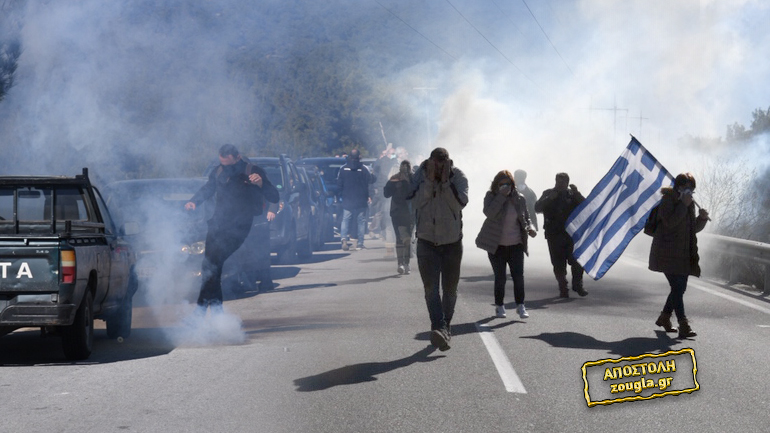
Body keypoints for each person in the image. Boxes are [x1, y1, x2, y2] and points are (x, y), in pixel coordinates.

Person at [185, 144, 279, 314]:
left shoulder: (253, 171)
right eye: (223, 164)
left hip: (239, 227)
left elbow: (274, 196)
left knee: (213, 265)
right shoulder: (218, 171)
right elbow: (208, 188)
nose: (226, 168)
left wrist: (261, 183)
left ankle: (201, 311)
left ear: (238, 158)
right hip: (217, 224)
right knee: (209, 267)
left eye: (229, 165)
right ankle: (215, 312)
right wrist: (194, 201)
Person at [409, 147, 469, 351]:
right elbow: (415, 202)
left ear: (448, 163)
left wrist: (445, 183)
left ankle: (445, 326)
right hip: (426, 241)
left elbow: (459, 205)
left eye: (442, 165)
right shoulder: (419, 176)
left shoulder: (458, 176)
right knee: (431, 290)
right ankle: (439, 327)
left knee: (450, 290)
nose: (439, 168)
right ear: (430, 162)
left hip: (452, 242)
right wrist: (428, 181)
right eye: (436, 164)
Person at [649, 172, 709, 338]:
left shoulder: (689, 203)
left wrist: (701, 219)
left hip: (683, 254)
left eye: (692, 189)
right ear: (679, 187)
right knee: (677, 287)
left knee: (679, 288)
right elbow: (670, 223)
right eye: (686, 187)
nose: (689, 191)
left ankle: (665, 317)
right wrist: (683, 204)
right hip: (666, 252)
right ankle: (683, 324)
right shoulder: (668, 200)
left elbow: (691, 229)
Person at [475, 170, 537, 319]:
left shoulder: (519, 198)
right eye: (502, 184)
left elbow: (526, 217)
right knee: (500, 277)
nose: (505, 187)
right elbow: (489, 213)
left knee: (518, 277)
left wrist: (530, 227)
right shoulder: (491, 196)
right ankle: (499, 306)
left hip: (516, 244)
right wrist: (501, 196)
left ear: (512, 184)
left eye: (508, 184)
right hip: (497, 246)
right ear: (496, 185)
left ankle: (520, 305)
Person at [535, 172, 587, 298]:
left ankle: (577, 284)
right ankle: (563, 286)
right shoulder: (548, 193)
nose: (560, 184)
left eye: (563, 182)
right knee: (558, 263)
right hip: (554, 234)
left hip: (572, 234)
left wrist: (577, 193)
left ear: (567, 183)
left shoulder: (572, 195)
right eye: (558, 181)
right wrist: (549, 198)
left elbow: (586, 206)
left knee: (577, 260)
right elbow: (537, 208)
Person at [337, 148, 373, 251]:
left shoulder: (343, 169)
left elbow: (339, 184)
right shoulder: (364, 169)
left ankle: (344, 238)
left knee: (346, 219)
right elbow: (370, 182)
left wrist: (340, 196)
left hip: (347, 199)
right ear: (359, 157)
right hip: (361, 199)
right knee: (361, 221)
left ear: (349, 156)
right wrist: (369, 195)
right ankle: (360, 243)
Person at [384, 159, 414, 275]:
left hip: (404, 212)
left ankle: (403, 263)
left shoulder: (411, 180)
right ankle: (403, 263)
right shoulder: (408, 179)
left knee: (404, 238)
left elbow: (386, 194)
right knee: (404, 238)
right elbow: (387, 193)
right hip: (402, 212)